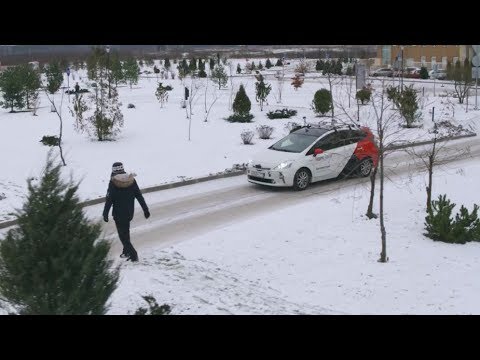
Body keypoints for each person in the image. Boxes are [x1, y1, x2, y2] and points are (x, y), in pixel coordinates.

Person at [102, 162, 150, 262]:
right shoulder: (131, 180)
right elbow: (139, 196)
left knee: (123, 236)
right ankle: (126, 252)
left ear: (113, 171)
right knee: (126, 232)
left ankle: (133, 254)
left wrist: (105, 213)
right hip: (129, 212)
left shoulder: (113, 182)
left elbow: (109, 199)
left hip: (118, 214)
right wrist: (145, 209)